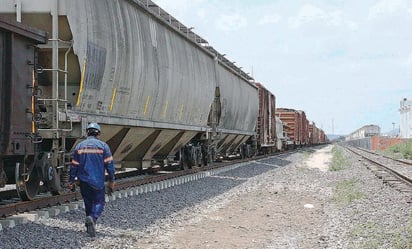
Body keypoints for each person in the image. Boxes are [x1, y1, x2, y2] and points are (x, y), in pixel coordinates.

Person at [68, 122, 115, 237]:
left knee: (88, 202)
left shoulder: (79, 146)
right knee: (100, 202)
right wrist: (112, 180)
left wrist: (71, 180)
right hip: (97, 181)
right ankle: (92, 218)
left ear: (87, 132)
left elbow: (74, 165)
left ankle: (90, 224)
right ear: (98, 133)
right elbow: (110, 165)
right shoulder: (103, 146)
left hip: (83, 181)